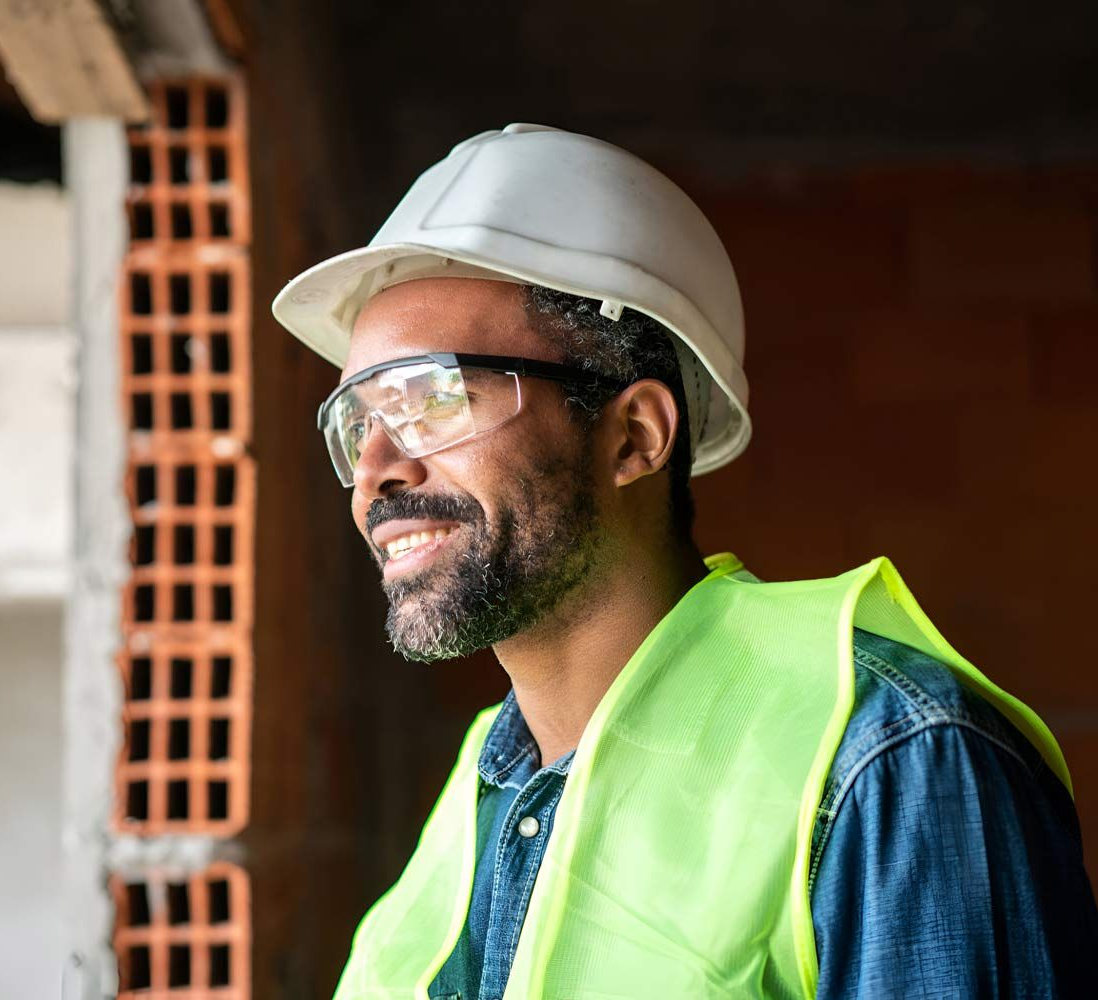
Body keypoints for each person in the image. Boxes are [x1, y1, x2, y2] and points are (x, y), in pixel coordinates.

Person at [271, 124, 1098, 999]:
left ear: (634, 437)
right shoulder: (486, 777)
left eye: (436, 399)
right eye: (358, 422)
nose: (375, 471)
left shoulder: (888, 757)